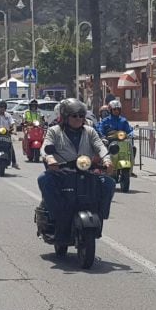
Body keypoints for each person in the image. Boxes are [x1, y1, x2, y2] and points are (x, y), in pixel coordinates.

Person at [38, 99, 115, 243]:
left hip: (87, 172)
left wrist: (107, 160)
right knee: (44, 179)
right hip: (63, 172)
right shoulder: (54, 131)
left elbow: (100, 146)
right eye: (74, 116)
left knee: (108, 183)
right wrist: (50, 159)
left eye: (81, 115)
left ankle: (100, 214)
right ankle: (56, 215)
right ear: (65, 116)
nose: (78, 119)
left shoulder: (90, 131)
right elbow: (46, 146)